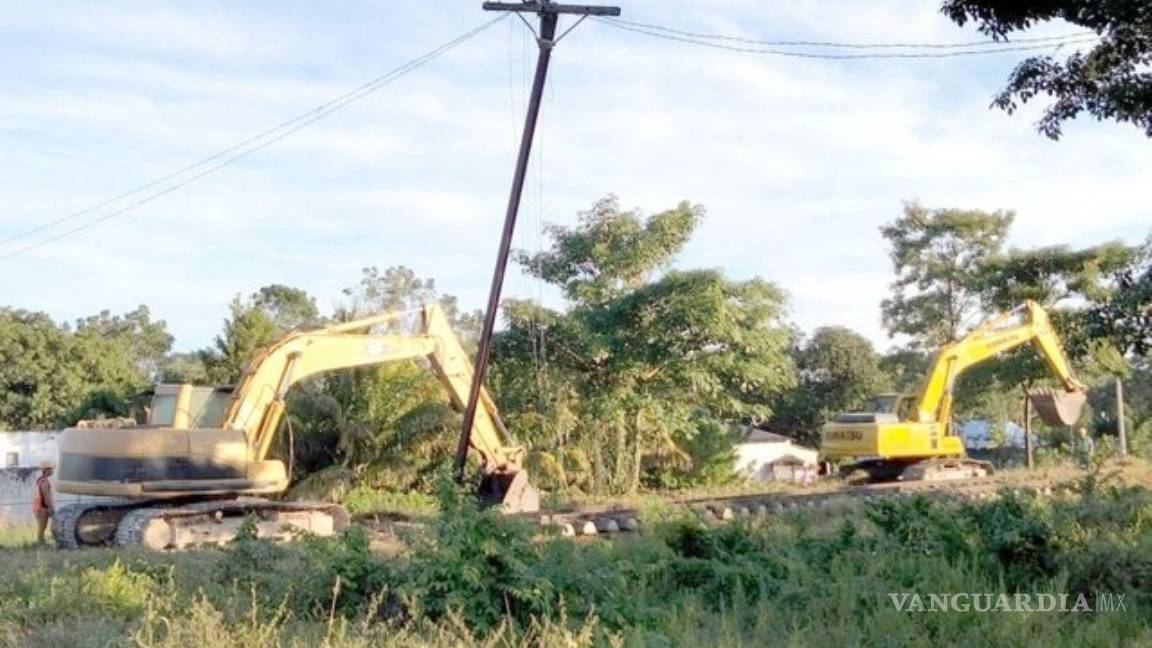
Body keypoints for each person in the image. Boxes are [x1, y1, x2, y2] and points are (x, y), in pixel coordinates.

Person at [32, 459, 55, 545]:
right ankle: (41, 543)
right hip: (42, 508)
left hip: (38, 507)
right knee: (42, 527)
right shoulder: (44, 482)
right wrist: (51, 508)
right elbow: (46, 497)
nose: (52, 471)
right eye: (51, 469)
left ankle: (41, 542)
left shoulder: (39, 480)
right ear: (46, 470)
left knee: (42, 527)